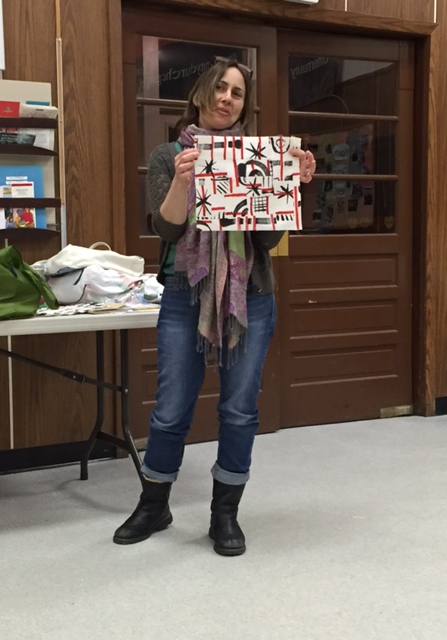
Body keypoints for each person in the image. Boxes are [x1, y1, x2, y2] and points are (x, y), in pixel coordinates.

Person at [113, 56, 316, 556]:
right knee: (170, 408)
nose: (227, 98)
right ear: (201, 93)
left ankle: (225, 513)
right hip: (186, 292)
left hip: (251, 296)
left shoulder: (262, 157)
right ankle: (154, 505)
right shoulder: (168, 155)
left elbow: (267, 241)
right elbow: (167, 230)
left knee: (239, 410)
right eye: (220, 88)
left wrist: (289, 185)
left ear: (244, 105)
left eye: (237, 93)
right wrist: (183, 182)